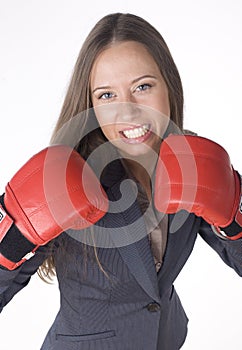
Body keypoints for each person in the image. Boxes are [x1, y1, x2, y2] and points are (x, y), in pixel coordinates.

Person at [0, 12, 241, 350]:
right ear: (91, 106)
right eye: (107, 96)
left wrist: (234, 219)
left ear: (168, 85)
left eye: (143, 86)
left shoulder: (192, 161)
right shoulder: (68, 178)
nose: (128, 112)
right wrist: (12, 234)